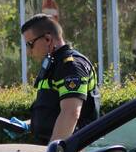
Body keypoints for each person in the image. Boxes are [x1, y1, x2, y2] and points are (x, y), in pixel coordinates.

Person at [19, 14, 99, 145]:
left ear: (47, 39)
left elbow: (71, 113)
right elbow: (53, 111)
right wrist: (30, 124)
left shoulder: (70, 66)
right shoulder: (54, 64)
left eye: (30, 44)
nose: (28, 52)